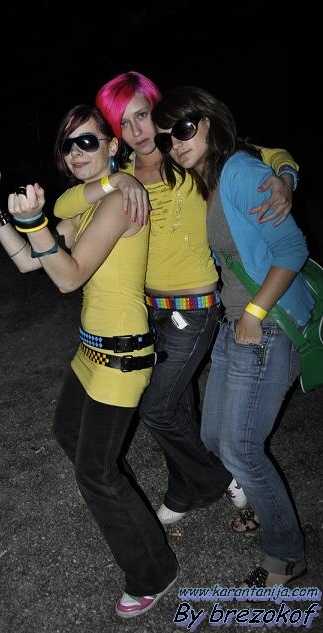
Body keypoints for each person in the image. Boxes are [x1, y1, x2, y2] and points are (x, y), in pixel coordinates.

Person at [53, 71, 299, 525]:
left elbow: (267, 154)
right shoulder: (121, 174)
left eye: (142, 115)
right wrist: (113, 184)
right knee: (178, 403)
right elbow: (64, 205)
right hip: (150, 310)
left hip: (195, 309)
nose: (137, 130)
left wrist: (284, 177)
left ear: (157, 110)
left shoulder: (187, 157)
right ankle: (184, 491)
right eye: (123, 123)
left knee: (158, 406)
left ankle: (218, 478)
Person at [0, 104, 179, 619]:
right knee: (69, 432)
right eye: (68, 145)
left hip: (121, 356)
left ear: (112, 145)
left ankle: (153, 572)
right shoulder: (88, 205)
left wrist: (35, 223)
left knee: (96, 472)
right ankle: (134, 520)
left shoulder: (122, 199)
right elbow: (29, 261)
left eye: (88, 141)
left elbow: (68, 277)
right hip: (90, 352)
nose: (77, 153)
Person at [151, 85, 313, 588]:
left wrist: (254, 312)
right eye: (167, 137)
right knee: (213, 438)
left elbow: (292, 250)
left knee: (241, 449)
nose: (176, 143)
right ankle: (266, 507)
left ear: (207, 122)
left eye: (183, 129)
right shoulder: (207, 176)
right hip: (234, 320)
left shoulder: (239, 172)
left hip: (264, 323)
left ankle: (286, 558)